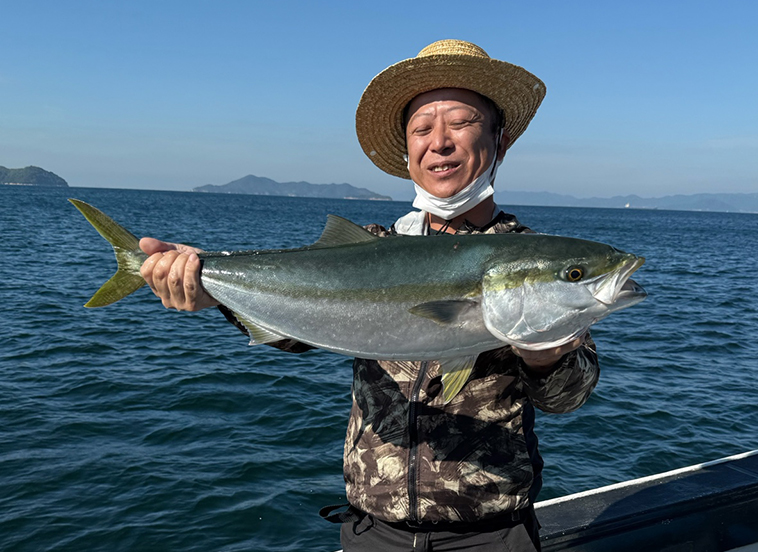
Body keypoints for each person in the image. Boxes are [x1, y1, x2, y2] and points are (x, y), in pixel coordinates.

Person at [140, 40, 599, 551]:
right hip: (371, 531)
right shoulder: (372, 246)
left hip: (491, 534)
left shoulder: (536, 262)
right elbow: (301, 333)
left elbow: (567, 397)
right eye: (421, 129)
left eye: (461, 123)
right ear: (407, 151)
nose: (439, 143)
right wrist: (214, 291)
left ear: (500, 142)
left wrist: (546, 358)